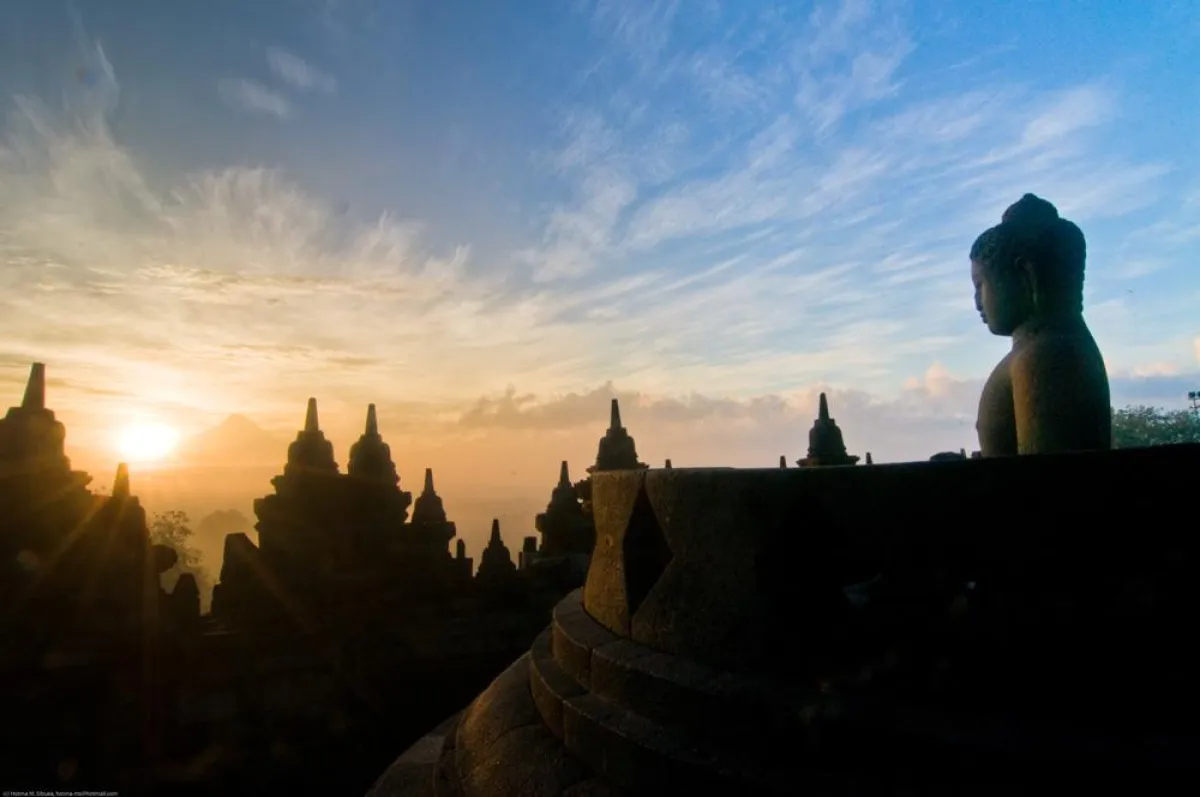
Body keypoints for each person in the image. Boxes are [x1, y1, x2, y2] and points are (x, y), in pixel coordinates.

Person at [971, 194, 1111, 456]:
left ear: (1026, 275)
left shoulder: (1049, 355)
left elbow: (1047, 481)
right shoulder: (1041, 349)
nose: (977, 301)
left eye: (980, 285)